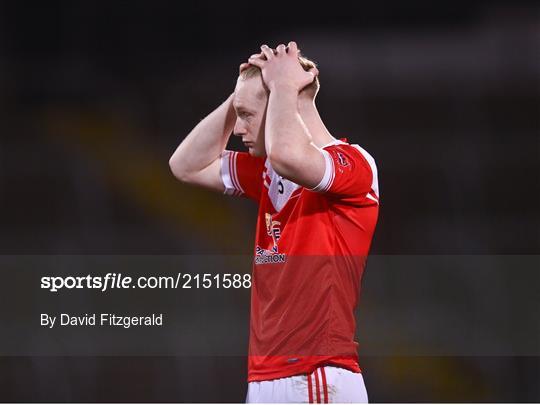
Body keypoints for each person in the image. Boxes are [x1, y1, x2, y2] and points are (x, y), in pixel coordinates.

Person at [169, 41, 379, 403]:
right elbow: (185, 165)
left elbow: (287, 155)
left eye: (249, 116)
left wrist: (282, 87)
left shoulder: (353, 165)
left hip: (315, 375)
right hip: (267, 377)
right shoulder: (269, 173)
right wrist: (241, 100)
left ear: (284, 103)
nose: (239, 128)